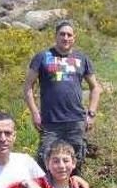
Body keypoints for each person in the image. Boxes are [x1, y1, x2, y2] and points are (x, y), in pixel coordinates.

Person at [24, 20, 103, 173]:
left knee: (74, 164)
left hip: (76, 122)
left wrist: (91, 113)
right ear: (56, 36)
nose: (65, 38)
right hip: (50, 122)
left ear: (74, 38)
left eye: (69, 35)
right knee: (46, 163)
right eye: (62, 34)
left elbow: (96, 88)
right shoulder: (42, 57)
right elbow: (27, 87)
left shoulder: (82, 59)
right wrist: (34, 113)